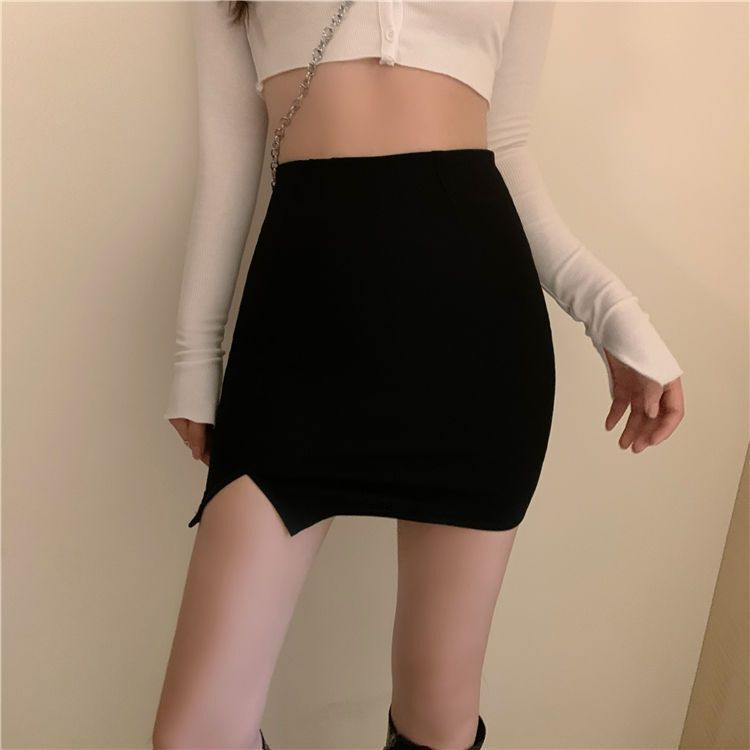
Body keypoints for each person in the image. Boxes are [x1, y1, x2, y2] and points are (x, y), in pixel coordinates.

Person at [153, 2, 686, 748]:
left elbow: (506, 148)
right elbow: (231, 153)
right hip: (300, 333)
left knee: (437, 714)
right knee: (195, 735)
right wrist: (195, 356)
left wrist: (617, 317)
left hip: (475, 336)